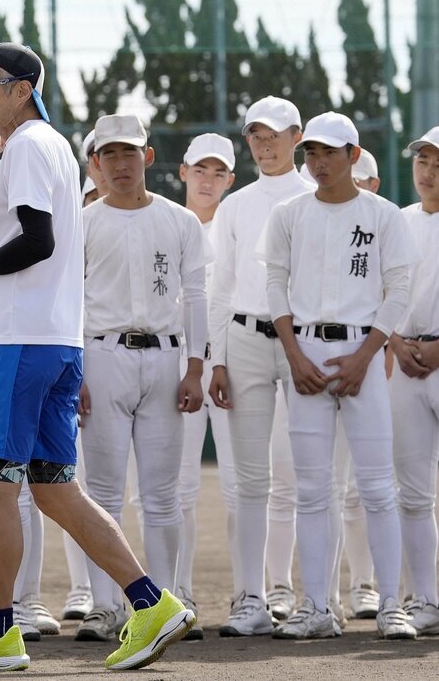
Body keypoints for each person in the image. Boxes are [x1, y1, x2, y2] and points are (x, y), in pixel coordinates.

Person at [0, 43, 189, 672]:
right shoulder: (49, 144)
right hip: (56, 339)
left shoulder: (24, 146)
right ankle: (152, 603)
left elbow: (38, 240)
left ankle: (0, 632)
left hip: (19, 337)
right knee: (53, 489)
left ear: (21, 90)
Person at [260, 112, 417, 640]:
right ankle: (317, 608)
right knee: (312, 490)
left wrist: (366, 355)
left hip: (363, 355)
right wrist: (292, 355)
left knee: (376, 487)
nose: (319, 162)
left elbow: (398, 288)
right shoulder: (289, 214)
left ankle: (392, 603)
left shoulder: (383, 215)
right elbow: (275, 285)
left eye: (330, 153)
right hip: (304, 353)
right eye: (312, 153)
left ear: (354, 154)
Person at [74, 114, 207, 644]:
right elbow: (70, 300)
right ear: (96, 164)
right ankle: (106, 607)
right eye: (109, 155)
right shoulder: (82, 222)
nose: (121, 164)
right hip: (102, 354)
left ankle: (165, 603)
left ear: (147, 157)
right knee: (102, 492)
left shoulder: (180, 221)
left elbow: (195, 295)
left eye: (129, 153)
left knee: (162, 493)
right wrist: (74, 369)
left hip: (165, 358)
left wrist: (195, 365)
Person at [206, 97, 314, 636]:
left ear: (296, 136)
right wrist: (217, 358)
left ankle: (309, 598)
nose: (264, 144)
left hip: (305, 342)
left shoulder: (316, 197)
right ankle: (250, 599)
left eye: (274, 134)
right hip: (246, 338)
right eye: (255, 134)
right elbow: (220, 287)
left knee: (303, 476)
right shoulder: (236, 205)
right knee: (251, 480)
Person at [173, 132, 237, 639]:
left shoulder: (237, 225)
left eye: (218, 172)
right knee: (179, 489)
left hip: (233, 366)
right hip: (180, 368)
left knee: (241, 488)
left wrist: (224, 359)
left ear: (230, 180)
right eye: (201, 170)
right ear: (183, 172)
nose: (208, 180)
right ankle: (180, 593)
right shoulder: (168, 223)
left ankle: (249, 596)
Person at [391, 125, 439, 635]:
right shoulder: (397, 222)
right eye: (423, 161)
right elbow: (379, 291)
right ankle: (426, 598)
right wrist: (395, 342)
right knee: (412, 492)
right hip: (404, 360)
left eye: (438, 164)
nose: (428, 172)